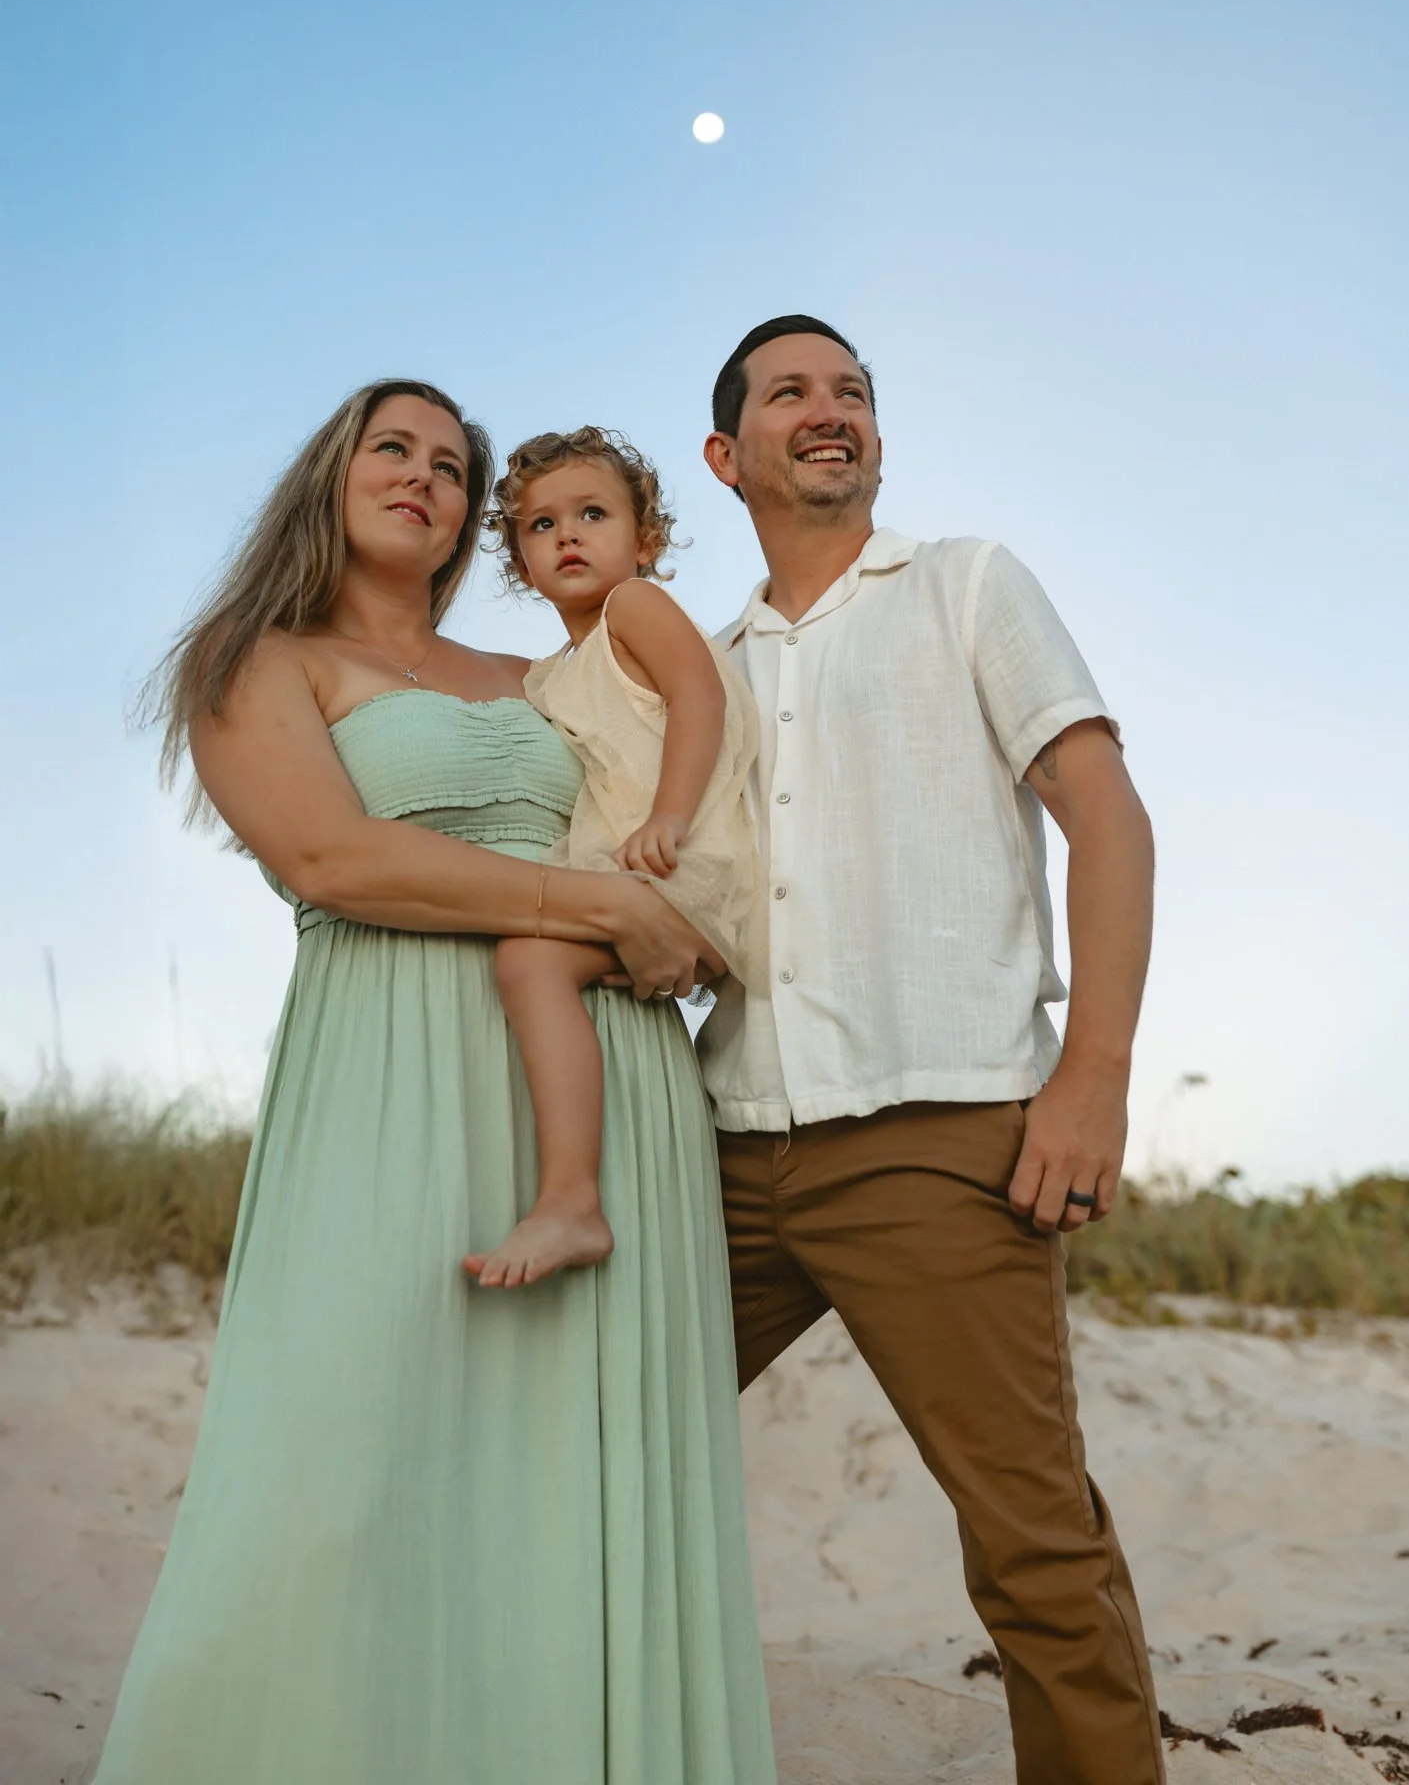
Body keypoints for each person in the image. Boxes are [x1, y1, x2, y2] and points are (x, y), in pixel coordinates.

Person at [96, 380, 777, 1785]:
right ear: (330, 476)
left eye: (454, 468)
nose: (424, 477)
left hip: (603, 1088)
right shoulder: (257, 658)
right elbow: (333, 862)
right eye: (391, 449)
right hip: (389, 1075)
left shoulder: (537, 675)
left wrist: (676, 915)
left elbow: (661, 805)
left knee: (573, 1484)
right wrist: (594, 910)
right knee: (340, 1457)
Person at [697, 316, 1166, 1785]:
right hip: (716, 1141)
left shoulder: (967, 584)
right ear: (729, 456)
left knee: (1031, 1543)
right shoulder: (696, 667)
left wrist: (1089, 1077)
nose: (828, 411)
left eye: (852, 393)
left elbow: (1108, 819)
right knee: (569, 1450)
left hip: (938, 1133)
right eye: (791, 394)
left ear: (878, 439)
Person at [464, 427, 762, 1289]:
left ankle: (570, 1203)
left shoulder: (634, 608)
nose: (566, 535)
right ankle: (570, 1179)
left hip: (687, 864)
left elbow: (698, 693)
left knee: (526, 961)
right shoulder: (548, 675)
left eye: (592, 514)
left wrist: (669, 812)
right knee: (532, 968)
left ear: (645, 539)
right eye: (540, 525)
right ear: (519, 560)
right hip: (636, 880)